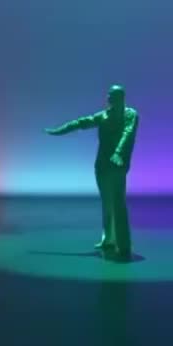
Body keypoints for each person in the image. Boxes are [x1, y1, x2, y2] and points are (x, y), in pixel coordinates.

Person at [45, 84, 139, 261]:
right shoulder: (103, 116)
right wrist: (59, 130)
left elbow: (128, 132)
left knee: (118, 204)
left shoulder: (130, 114)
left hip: (117, 166)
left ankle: (124, 245)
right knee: (107, 203)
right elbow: (81, 123)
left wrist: (118, 152)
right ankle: (108, 240)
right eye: (108, 95)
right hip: (102, 166)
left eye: (112, 95)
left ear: (120, 98)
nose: (108, 98)